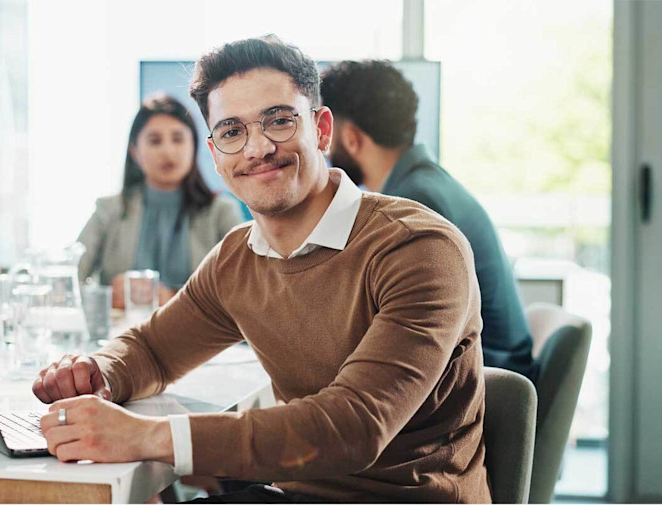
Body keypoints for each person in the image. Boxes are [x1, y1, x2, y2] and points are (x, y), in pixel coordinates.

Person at [31, 36, 491, 503]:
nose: (257, 148)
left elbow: (354, 426)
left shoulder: (419, 247)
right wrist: (99, 372)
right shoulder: (238, 258)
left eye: (279, 121)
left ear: (322, 129)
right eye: (232, 131)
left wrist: (147, 436)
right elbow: (153, 350)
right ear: (215, 155)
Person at [321, 59, 539, 382]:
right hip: (491, 371)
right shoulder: (424, 184)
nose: (323, 148)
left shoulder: (413, 203)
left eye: (327, 131)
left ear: (351, 137)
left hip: (486, 386)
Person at [77, 94, 244, 308]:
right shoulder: (108, 210)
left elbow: (243, 293)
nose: (168, 151)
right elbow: (69, 280)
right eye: (155, 141)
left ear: (194, 146)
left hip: (199, 339)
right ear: (135, 151)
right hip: (123, 335)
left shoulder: (221, 212)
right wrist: (106, 297)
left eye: (178, 139)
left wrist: (172, 297)